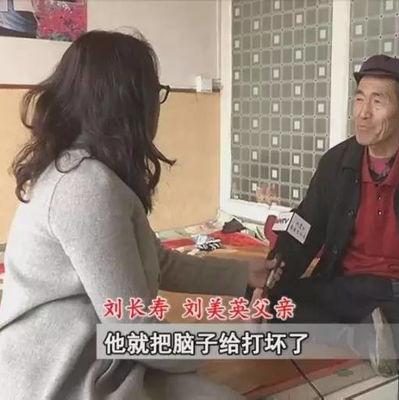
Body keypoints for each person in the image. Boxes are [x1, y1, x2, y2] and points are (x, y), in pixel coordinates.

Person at [0, 30, 270, 400]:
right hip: (59, 381)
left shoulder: (89, 173)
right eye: (155, 92)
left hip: (104, 362)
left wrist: (243, 275)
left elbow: (156, 261)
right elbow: (134, 330)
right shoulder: (84, 187)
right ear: (128, 104)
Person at [266, 54, 399, 400]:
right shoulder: (337, 163)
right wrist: (277, 265)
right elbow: (305, 223)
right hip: (347, 286)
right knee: (270, 302)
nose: (363, 113)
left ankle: (384, 336)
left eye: (378, 101)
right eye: (359, 99)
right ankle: (366, 337)